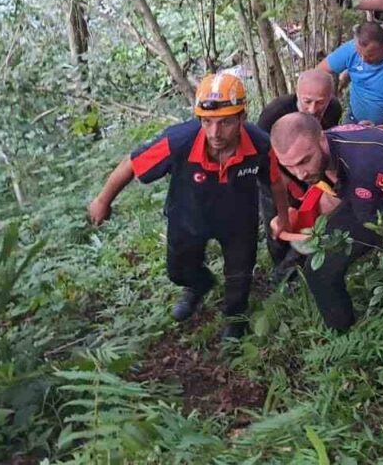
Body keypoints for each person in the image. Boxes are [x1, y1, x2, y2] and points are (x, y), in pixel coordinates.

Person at [88, 73, 289, 340]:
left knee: (239, 276)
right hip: (188, 215)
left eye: (225, 123)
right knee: (178, 270)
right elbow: (133, 164)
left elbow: (275, 182)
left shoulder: (260, 144)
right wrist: (103, 200)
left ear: (242, 118)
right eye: (207, 122)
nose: (215, 133)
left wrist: (284, 217)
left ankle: (234, 320)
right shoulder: (179, 141)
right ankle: (198, 284)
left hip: (238, 219)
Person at [269, 113, 383, 331]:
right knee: (319, 271)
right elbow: (332, 195)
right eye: (289, 166)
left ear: (322, 140)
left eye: (304, 161)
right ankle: (344, 338)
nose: (300, 172)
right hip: (364, 202)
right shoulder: (318, 160)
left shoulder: (369, 159)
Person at [256, 70, 344, 271]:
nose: (313, 109)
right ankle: (279, 266)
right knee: (278, 219)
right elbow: (260, 154)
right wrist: (285, 180)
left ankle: (298, 263)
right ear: (297, 94)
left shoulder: (334, 110)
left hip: (311, 169)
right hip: (275, 172)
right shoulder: (274, 113)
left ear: (330, 98)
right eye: (307, 101)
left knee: (310, 215)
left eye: (320, 102)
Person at [319, 21, 383, 126]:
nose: (363, 60)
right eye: (360, 54)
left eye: (370, 55)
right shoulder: (350, 49)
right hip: (355, 119)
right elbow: (320, 71)